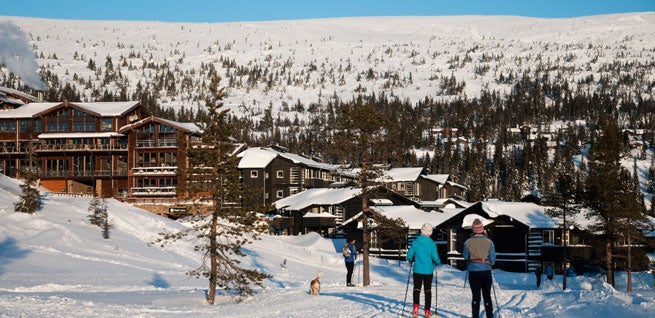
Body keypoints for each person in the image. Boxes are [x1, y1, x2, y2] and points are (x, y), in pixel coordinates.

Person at [406, 223, 441, 318]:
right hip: (428, 270)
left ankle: (416, 308)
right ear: (430, 232)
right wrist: (437, 261)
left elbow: (409, 255)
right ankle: (427, 311)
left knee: (416, 289)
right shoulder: (432, 243)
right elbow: (435, 256)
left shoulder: (415, 242)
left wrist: (410, 259)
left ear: (422, 231)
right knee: (427, 290)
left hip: (417, 269)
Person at [463, 218, 496, 318]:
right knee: (487, 296)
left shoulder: (467, 242)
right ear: (482, 229)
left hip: (473, 271)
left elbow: (465, 256)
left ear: (473, 230)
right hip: (486, 270)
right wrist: (490, 263)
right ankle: (489, 315)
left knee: (476, 296)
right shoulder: (489, 242)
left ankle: (475, 316)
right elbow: (493, 258)